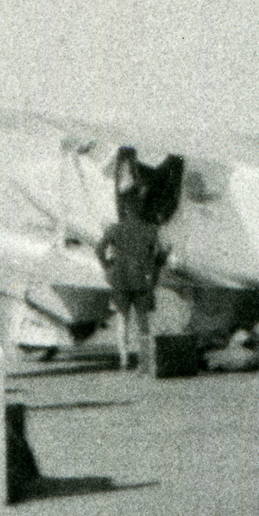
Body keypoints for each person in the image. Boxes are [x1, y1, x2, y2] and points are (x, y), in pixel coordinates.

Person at [96, 147, 173, 371]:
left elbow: (99, 249)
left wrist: (107, 266)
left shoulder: (114, 229)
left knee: (122, 320)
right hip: (142, 279)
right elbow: (158, 256)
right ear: (141, 208)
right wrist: (162, 260)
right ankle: (145, 361)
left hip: (119, 277)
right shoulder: (151, 230)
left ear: (125, 209)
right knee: (143, 321)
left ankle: (123, 357)